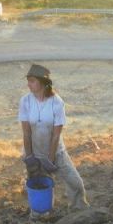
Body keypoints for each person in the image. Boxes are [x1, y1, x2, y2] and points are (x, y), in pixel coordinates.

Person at [19, 64, 89, 216]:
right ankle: (38, 213)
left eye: (32, 81)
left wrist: (50, 159)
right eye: (28, 81)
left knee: (76, 183)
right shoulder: (25, 101)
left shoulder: (57, 102)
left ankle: (78, 212)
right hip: (34, 153)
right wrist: (30, 156)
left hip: (56, 152)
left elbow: (56, 135)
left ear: (43, 83)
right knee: (37, 185)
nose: (28, 84)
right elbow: (26, 132)